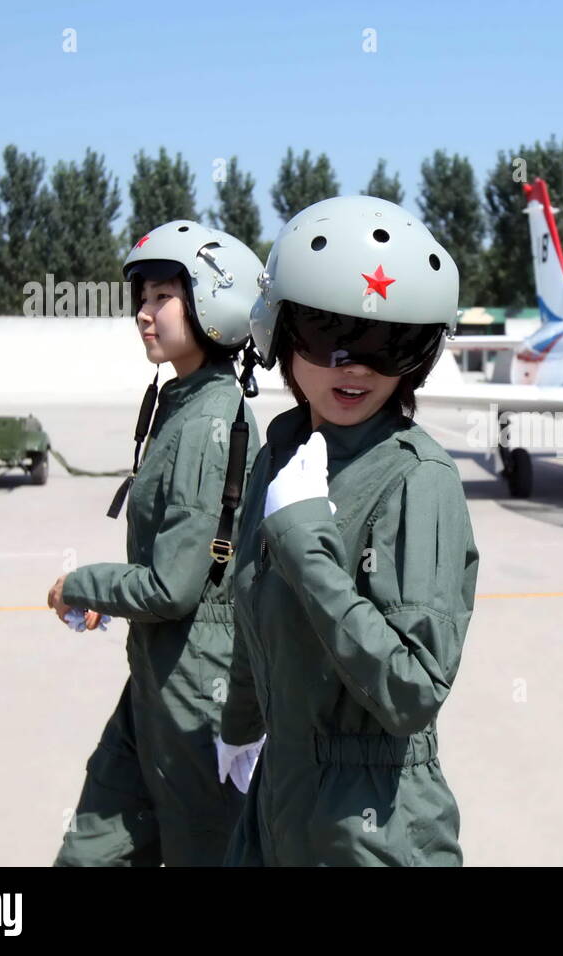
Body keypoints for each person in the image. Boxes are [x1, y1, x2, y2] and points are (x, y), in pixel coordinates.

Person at [219, 195, 480, 866]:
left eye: (390, 344)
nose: (355, 366)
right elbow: (253, 617)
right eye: (327, 334)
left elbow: (413, 689)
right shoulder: (281, 456)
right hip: (279, 800)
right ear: (279, 332)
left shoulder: (418, 481)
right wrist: (241, 725)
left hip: (373, 824)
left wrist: (307, 546)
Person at [47, 220, 264, 865]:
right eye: (141, 298)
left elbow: (173, 587)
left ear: (212, 302)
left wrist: (81, 584)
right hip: (154, 678)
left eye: (161, 296)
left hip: (197, 693)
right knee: (93, 853)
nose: (143, 313)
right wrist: (114, 601)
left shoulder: (208, 420)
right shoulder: (181, 402)